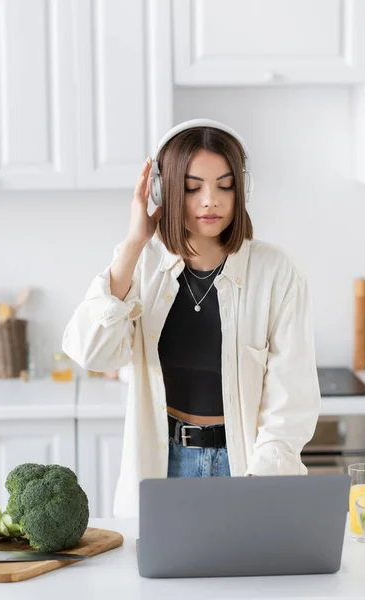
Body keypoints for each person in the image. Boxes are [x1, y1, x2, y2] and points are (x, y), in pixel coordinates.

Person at [62, 119, 321, 518]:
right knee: (159, 581)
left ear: (242, 189)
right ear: (164, 191)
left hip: (247, 468)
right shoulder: (142, 266)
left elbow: (292, 402)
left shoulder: (277, 272)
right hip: (164, 467)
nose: (210, 200)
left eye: (224, 185)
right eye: (192, 186)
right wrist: (133, 244)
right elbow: (92, 352)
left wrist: (259, 481)